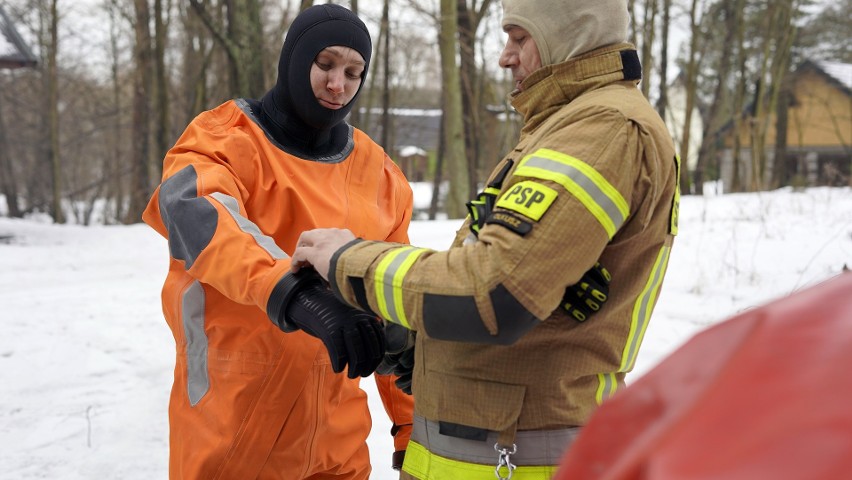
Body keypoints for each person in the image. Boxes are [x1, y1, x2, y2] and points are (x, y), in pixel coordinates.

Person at [290, 0, 680, 478]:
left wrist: (347, 260)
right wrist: (415, 340)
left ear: (570, 34)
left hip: (520, 456)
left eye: (519, 37)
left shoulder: (602, 131)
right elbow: (524, 290)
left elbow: (491, 293)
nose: (504, 56)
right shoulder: (560, 128)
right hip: (490, 447)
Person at [142, 4, 415, 479]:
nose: (338, 84)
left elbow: (395, 303)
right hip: (232, 427)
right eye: (325, 64)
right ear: (294, 58)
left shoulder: (380, 175)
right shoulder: (222, 140)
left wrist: (412, 423)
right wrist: (297, 294)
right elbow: (205, 222)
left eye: (354, 72)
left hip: (337, 439)